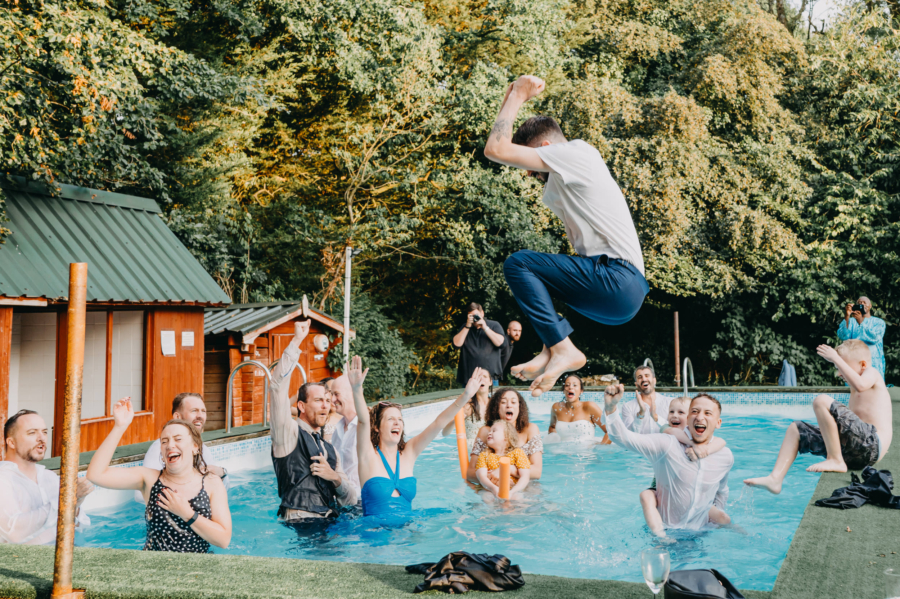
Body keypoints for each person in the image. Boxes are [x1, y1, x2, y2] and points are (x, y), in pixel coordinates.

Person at [484, 75, 648, 396]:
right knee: (542, 281)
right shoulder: (561, 183)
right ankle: (553, 349)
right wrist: (508, 97)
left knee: (519, 265)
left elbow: (496, 148)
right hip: (618, 298)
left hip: (618, 279)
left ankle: (562, 349)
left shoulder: (577, 153)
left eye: (532, 162)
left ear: (546, 148)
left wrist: (518, 95)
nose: (530, 173)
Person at [745, 340, 893, 493]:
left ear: (863, 364)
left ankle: (835, 460)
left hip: (871, 445)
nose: (839, 373)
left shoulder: (872, 373)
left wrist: (836, 358)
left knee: (821, 400)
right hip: (854, 452)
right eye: (838, 367)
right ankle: (775, 479)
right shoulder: (855, 385)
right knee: (796, 429)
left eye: (842, 366)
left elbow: (861, 385)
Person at [348, 357, 487, 518]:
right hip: (374, 537)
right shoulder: (368, 455)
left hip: (408, 535)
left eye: (400, 419)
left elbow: (438, 423)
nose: (397, 423)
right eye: (391, 419)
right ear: (377, 427)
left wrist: (465, 395)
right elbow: (363, 421)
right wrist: (357, 389)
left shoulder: (409, 452)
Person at [87, 398, 232, 552]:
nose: (170, 445)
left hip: (197, 568)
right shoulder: (149, 479)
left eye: (178, 439)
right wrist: (119, 426)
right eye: (164, 441)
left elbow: (223, 540)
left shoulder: (211, 483)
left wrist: (186, 513)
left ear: (195, 447)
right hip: (153, 566)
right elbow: (95, 474)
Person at [604, 385, 734, 531]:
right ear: (688, 417)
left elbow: (722, 491)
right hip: (667, 535)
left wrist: (717, 522)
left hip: (702, 533)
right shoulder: (667, 444)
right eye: (694, 411)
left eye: (707, 413)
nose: (699, 417)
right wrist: (610, 409)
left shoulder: (725, 456)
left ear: (718, 423)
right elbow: (624, 438)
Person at [269, 321, 358, 523]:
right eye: (318, 400)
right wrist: (297, 340)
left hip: (330, 522)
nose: (326, 406)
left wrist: (334, 478)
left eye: (328, 401)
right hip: (302, 521)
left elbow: (350, 498)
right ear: (301, 406)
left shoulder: (330, 449)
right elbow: (276, 387)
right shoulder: (287, 434)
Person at [639, 398, 730, 536]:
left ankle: (735, 532)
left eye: (681, 412)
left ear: (688, 418)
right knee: (646, 496)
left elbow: (721, 442)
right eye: (671, 412)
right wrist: (694, 445)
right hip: (663, 488)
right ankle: (660, 533)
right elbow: (668, 429)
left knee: (723, 517)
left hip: (694, 497)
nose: (675, 415)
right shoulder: (669, 431)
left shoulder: (700, 435)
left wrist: (706, 449)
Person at [0, 410, 93, 544]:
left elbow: (80, 528)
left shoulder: (49, 477)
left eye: (44, 432)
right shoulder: (3, 480)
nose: (42, 438)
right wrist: (66, 500)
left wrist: (76, 503)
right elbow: (13, 533)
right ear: (11, 443)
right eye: (32, 433)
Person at [138, 393, 228, 503]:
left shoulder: (201, 448)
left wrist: (222, 472)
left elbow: (221, 490)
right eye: (194, 411)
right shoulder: (162, 450)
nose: (200, 415)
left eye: (203, 411)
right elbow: (140, 497)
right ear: (177, 417)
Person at [468, 388, 544, 482]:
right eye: (503, 402)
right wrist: (489, 477)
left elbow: (537, 472)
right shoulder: (486, 432)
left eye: (513, 402)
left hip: (524, 487)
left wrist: (506, 469)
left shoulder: (530, 429)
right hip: (491, 486)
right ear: (496, 408)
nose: (509, 405)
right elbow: (470, 473)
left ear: (519, 407)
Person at [453, 302, 507, 387]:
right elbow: (456, 344)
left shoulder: (494, 325)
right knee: (469, 400)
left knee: (492, 400)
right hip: (469, 377)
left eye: (476, 315)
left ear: (482, 313)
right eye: (471, 315)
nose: (474, 318)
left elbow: (501, 343)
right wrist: (467, 326)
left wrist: (484, 327)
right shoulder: (465, 327)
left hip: (491, 377)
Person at [475, 420, 531, 500]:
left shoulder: (517, 453)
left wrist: (513, 492)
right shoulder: (484, 455)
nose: (489, 433)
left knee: (517, 497)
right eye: (490, 431)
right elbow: (482, 477)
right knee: (487, 497)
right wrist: (494, 489)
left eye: (494, 431)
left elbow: (525, 477)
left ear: (506, 437)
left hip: (513, 489)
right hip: (490, 490)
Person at [442, 368, 492, 454]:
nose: (481, 379)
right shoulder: (467, 406)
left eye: (484, 376)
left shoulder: (495, 404)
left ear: (490, 382)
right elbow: (445, 433)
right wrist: (456, 420)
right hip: (470, 451)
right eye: (479, 377)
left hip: (490, 449)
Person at [545, 374, 606, 444]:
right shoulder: (556, 407)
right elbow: (552, 427)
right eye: (567, 385)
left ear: (581, 390)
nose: (570, 387)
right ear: (563, 390)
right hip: (562, 453)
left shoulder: (589, 406)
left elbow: (610, 432)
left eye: (575, 385)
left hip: (586, 453)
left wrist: (600, 447)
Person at [327, 374, 361, 500]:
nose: (332, 399)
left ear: (353, 393)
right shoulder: (338, 429)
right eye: (332, 394)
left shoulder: (368, 427)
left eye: (336, 394)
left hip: (361, 500)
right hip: (342, 498)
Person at [838, 297, 886, 378]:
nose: (862, 304)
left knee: (874, 387)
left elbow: (875, 338)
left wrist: (861, 321)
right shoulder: (851, 321)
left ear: (870, 306)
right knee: (854, 386)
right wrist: (847, 315)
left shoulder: (879, 322)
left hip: (874, 362)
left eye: (864, 302)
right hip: (854, 361)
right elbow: (843, 336)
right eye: (860, 303)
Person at [617, 365, 674, 434]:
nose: (644, 379)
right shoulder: (628, 407)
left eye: (647, 376)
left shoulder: (670, 403)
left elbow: (676, 430)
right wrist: (641, 414)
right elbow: (629, 436)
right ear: (636, 384)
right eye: (640, 377)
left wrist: (656, 417)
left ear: (654, 380)